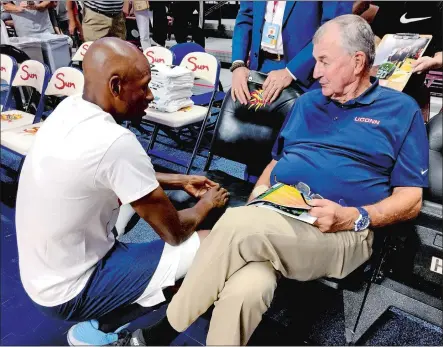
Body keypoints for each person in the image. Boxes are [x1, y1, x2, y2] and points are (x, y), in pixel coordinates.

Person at [115, 14, 429, 346]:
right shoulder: (308, 103)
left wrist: (354, 217)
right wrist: (259, 201)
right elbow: (277, 162)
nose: (316, 71)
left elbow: (411, 199)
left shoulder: (400, 110)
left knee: (238, 224)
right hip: (277, 217)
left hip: (341, 230)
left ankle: (159, 333)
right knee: (247, 286)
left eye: (323, 61)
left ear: (357, 62)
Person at [15, 37, 229, 346]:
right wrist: (207, 204)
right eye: (143, 87)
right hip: (69, 291)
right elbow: (175, 233)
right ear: (115, 86)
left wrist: (178, 180)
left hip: (41, 277)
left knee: (128, 205)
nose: (150, 95)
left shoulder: (68, 110)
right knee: (210, 243)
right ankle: (107, 327)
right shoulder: (114, 141)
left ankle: (115, 302)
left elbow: (111, 173)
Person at [230, 1, 354, 106]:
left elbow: (334, 28)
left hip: (305, 72)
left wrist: (291, 71)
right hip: (259, 67)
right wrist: (238, 64)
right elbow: (246, 17)